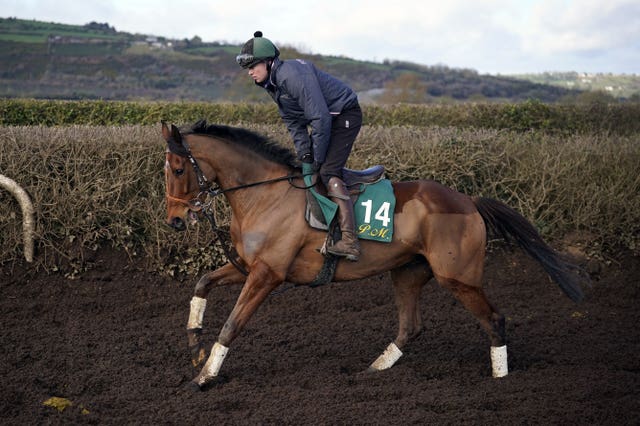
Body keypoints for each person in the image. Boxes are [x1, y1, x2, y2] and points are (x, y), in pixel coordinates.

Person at [236, 31, 362, 261]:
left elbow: (320, 118)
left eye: (253, 66)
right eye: (248, 68)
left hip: (344, 115)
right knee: (310, 168)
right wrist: (305, 156)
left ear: (268, 62)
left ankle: (350, 241)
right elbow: (294, 123)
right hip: (327, 119)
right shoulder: (273, 85)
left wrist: (317, 160)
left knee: (327, 171)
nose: (250, 72)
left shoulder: (291, 76)